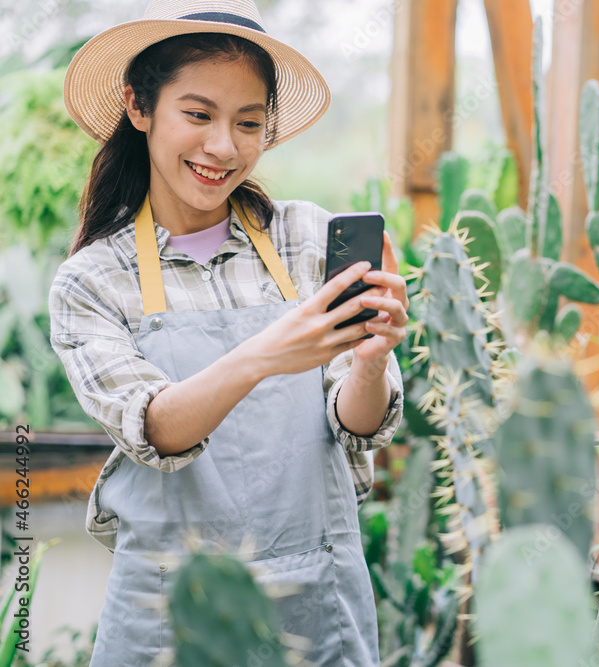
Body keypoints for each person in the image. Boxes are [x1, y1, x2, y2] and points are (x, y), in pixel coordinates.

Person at [48, 0, 406, 664]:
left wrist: (370, 358)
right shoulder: (93, 280)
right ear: (139, 105)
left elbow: (360, 425)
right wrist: (268, 353)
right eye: (198, 114)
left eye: (248, 123)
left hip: (316, 603)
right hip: (171, 617)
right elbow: (154, 429)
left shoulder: (303, 238)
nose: (223, 147)